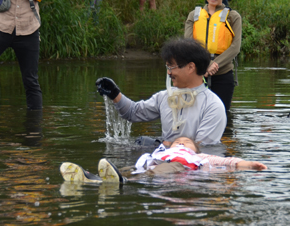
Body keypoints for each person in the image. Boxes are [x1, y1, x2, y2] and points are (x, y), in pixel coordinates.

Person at [96, 38, 227, 146]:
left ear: (191, 67)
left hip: (194, 172)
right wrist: (115, 94)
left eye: (172, 67)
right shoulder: (165, 97)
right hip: (165, 163)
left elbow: (201, 149)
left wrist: (160, 145)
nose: (169, 72)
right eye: (167, 67)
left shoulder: (212, 106)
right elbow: (133, 112)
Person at [61, 136, 267, 185]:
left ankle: (125, 182)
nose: (182, 144)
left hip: (176, 169)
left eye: (187, 143)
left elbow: (229, 162)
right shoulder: (160, 152)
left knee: (153, 171)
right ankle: (94, 178)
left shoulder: (198, 157)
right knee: (132, 167)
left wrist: (250, 165)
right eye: (178, 142)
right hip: (151, 164)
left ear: (194, 149)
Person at [184, 0, 241, 112]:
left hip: (223, 75)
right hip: (197, 74)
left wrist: (215, 64)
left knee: (221, 117)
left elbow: (235, 47)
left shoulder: (233, 17)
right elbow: (188, 45)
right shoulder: (194, 15)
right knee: (195, 116)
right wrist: (205, 65)